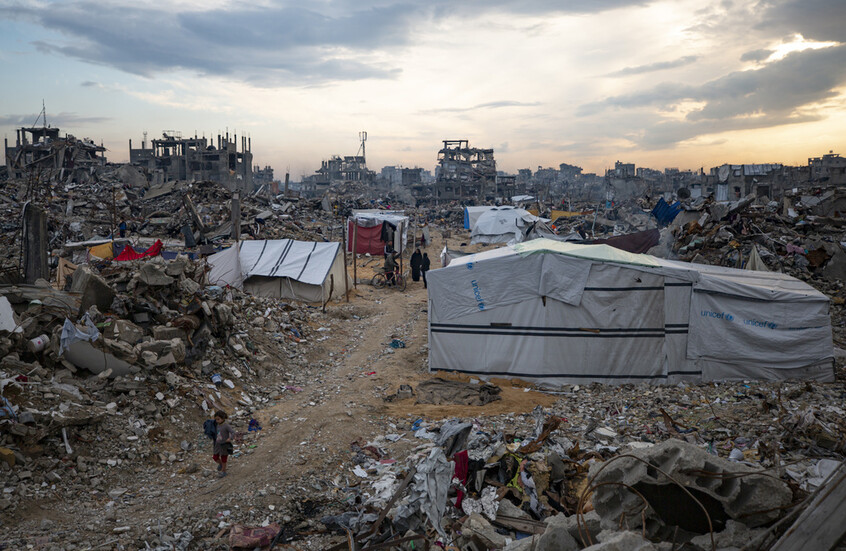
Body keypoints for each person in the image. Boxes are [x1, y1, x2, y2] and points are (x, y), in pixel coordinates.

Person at [212, 410, 234, 477]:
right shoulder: (217, 425)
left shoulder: (226, 426)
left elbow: (233, 432)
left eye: (218, 419)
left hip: (224, 444)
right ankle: (221, 464)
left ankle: (223, 471)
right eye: (216, 419)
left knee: (224, 458)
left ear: (223, 418)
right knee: (215, 457)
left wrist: (230, 438)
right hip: (218, 444)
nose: (217, 421)